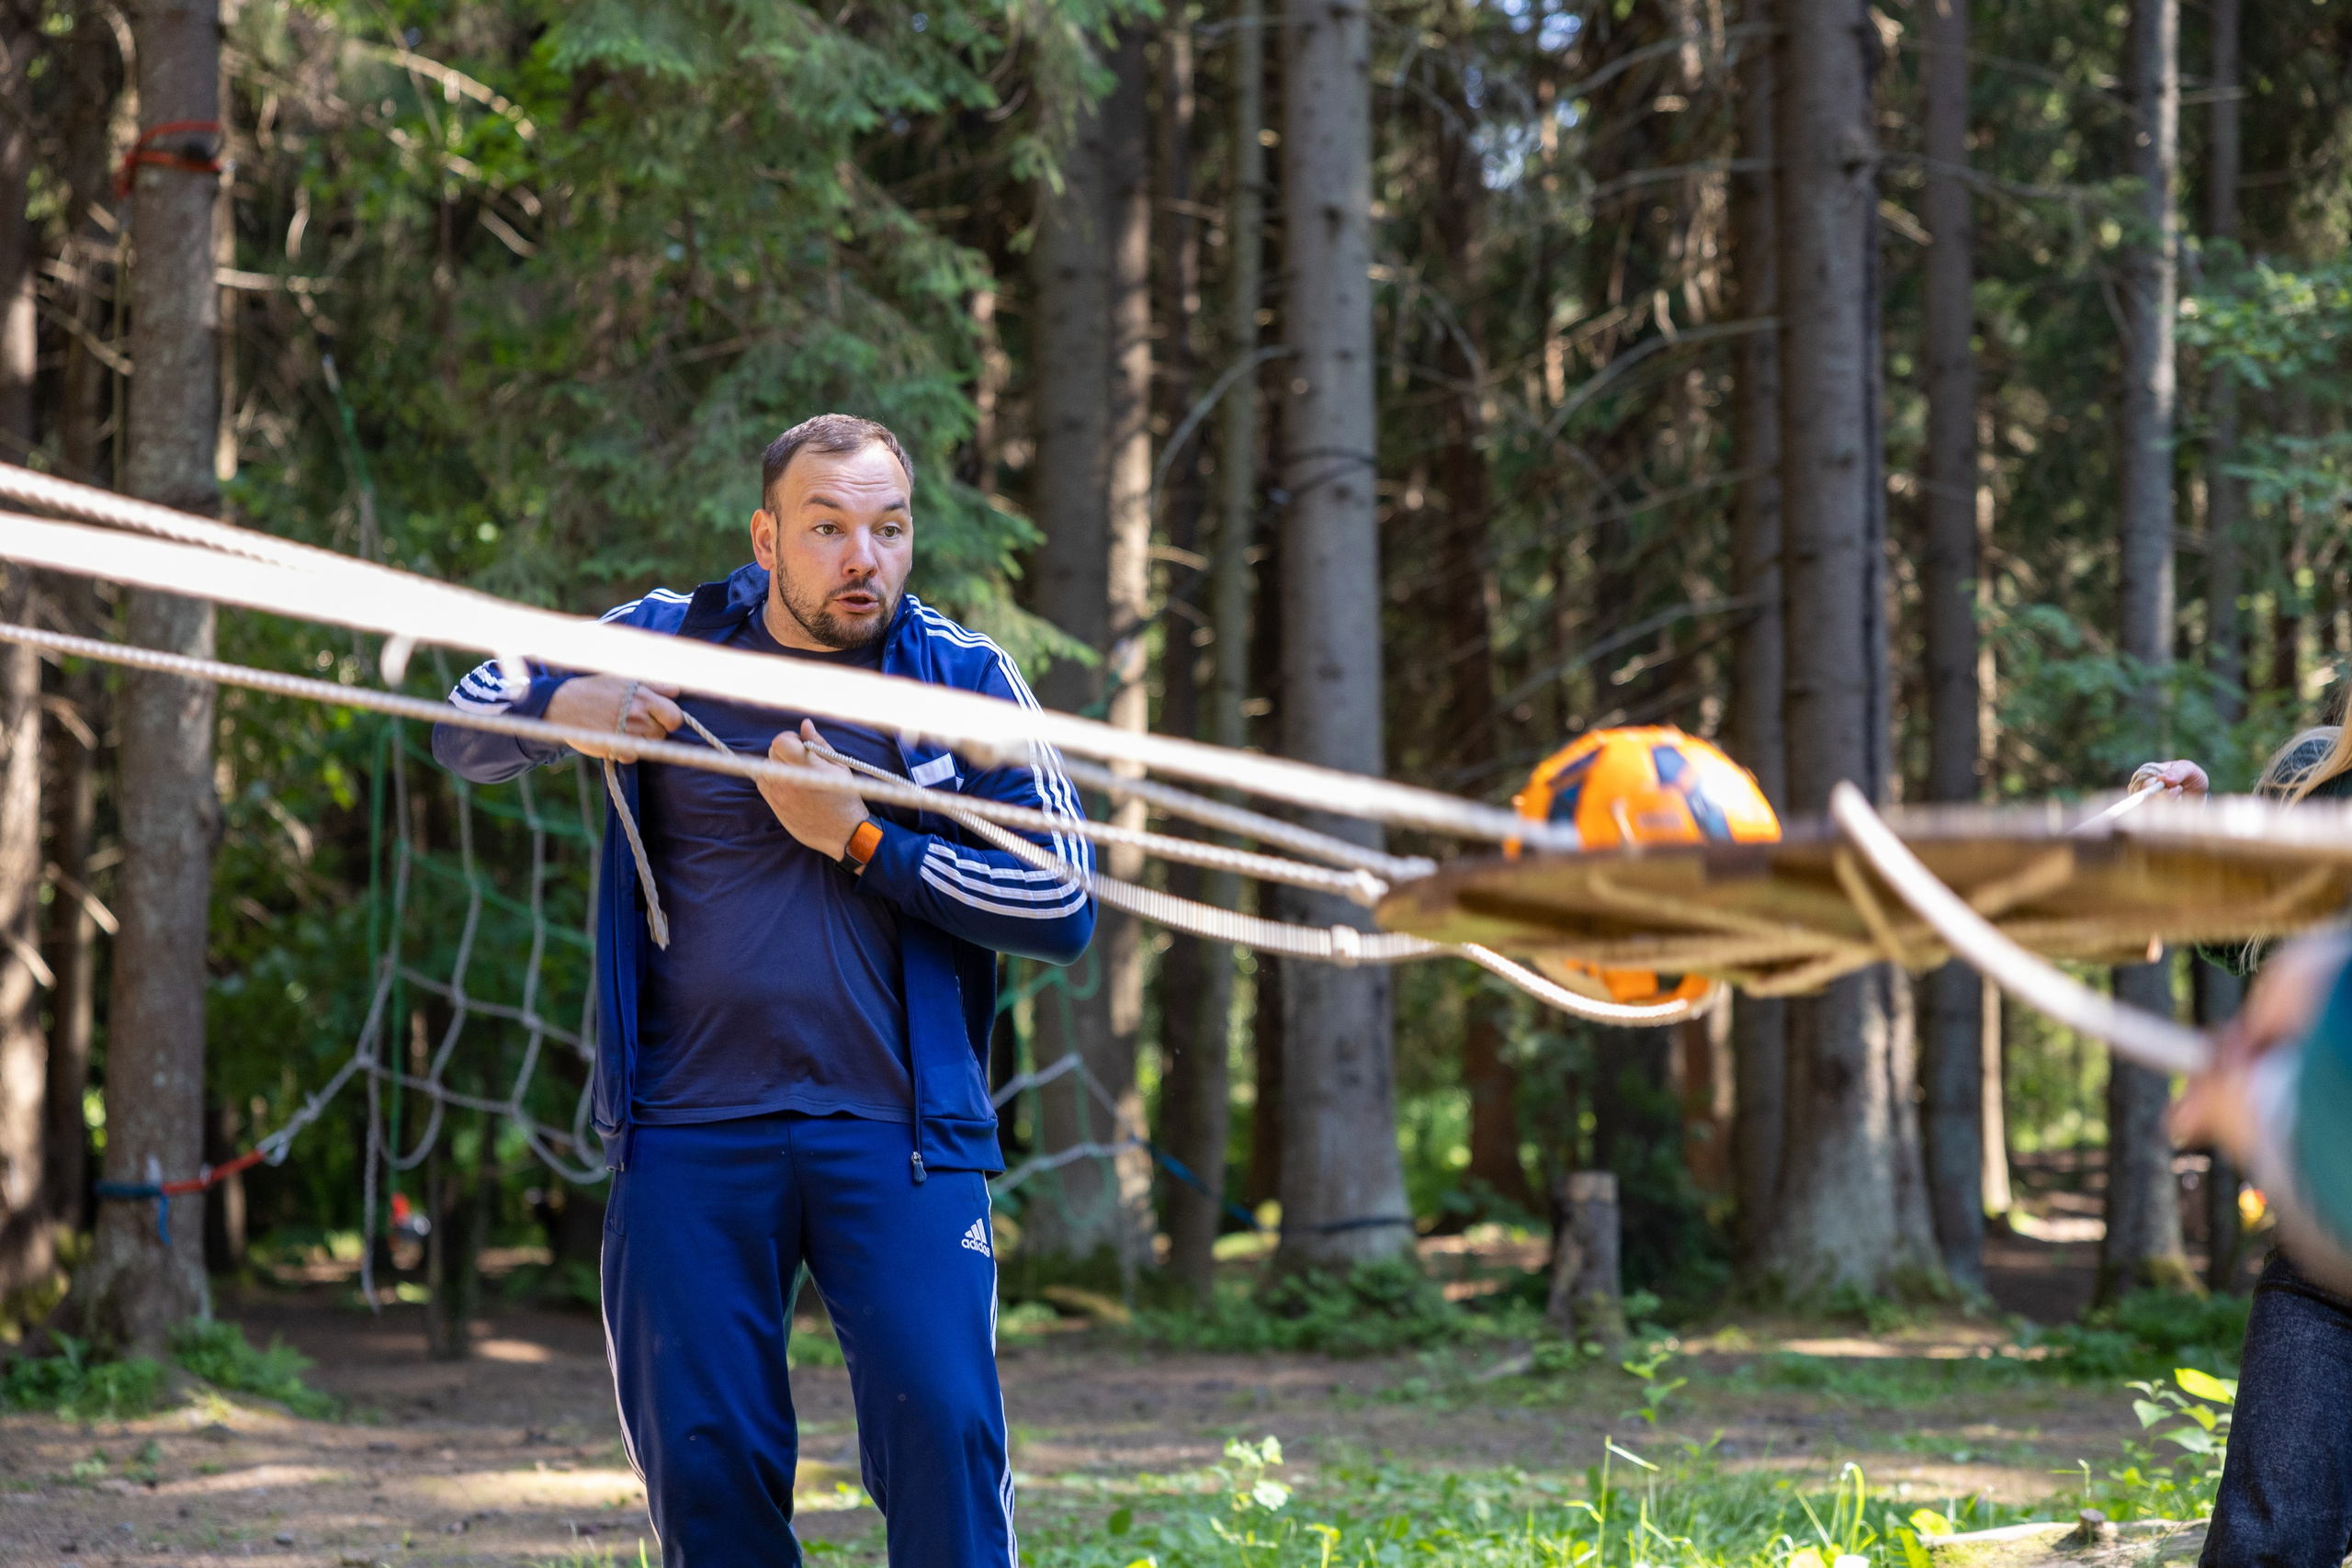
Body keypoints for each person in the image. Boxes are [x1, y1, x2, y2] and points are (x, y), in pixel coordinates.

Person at [433, 413, 1095, 1566]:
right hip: (689, 1131)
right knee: (703, 1470)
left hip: (901, 1138)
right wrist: (561, 713)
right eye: (829, 527)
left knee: (943, 1435)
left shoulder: (962, 676)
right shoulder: (664, 635)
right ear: (766, 537)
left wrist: (862, 841)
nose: (863, 558)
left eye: (888, 529)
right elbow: (461, 721)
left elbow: (1062, 904)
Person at [2136, 730, 2352, 1568]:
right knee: (2263, 1548)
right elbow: (2248, 936)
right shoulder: (2318, 774)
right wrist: (2196, 838)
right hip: (2322, 1265)